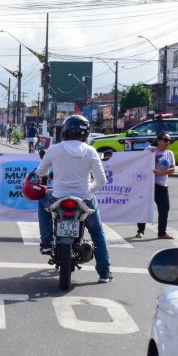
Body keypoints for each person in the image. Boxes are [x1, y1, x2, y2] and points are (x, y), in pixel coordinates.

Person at [36, 114, 113, 283]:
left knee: (42, 203)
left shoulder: (54, 149)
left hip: (57, 198)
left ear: (65, 130)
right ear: (86, 133)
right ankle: (105, 273)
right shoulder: (90, 151)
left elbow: (40, 173)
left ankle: (47, 241)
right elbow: (101, 181)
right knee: (97, 232)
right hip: (84, 200)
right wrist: (88, 191)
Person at [136, 131, 176, 239]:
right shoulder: (150, 149)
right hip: (148, 184)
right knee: (144, 207)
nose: (168, 142)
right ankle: (140, 231)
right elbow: (141, 162)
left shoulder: (169, 153)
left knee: (164, 208)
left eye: (169, 141)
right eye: (165, 140)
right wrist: (149, 151)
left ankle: (162, 233)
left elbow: (172, 169)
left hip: (162, 185)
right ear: (158, 141)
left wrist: (161, 172)